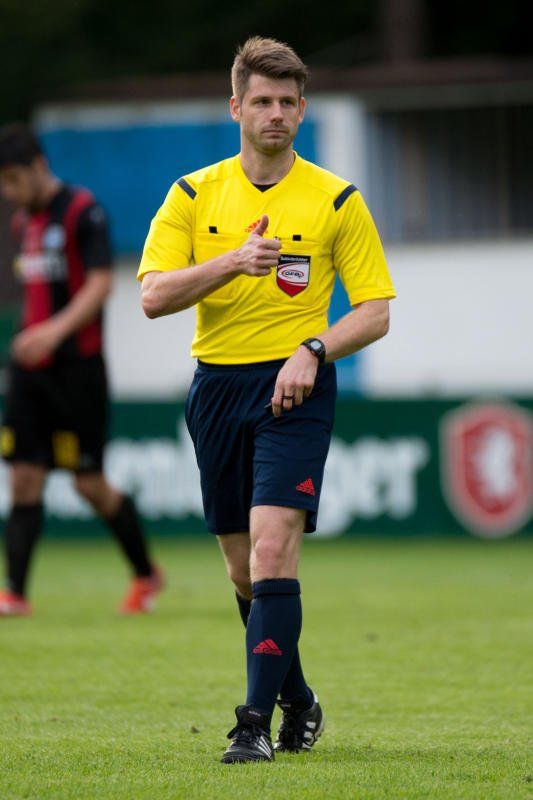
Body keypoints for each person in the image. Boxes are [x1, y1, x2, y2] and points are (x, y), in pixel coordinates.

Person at [138, 36, 395, 763]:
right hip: (217, 386)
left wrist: (313, 348)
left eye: (287, 101)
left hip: (296, 388)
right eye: (261, 101)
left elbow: (375, 311)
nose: (275, 113)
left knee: (274, 546)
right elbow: (153, 296)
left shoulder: (335, 198)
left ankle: (252, 724)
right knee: (243, 569)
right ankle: (299, 700)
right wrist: (231, 262)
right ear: (236, 108)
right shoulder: (193, 194)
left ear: (302, 110)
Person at [0, 124, 163, 616]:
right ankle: (15, 594)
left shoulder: (82, 211)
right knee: (23, 477)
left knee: (88, 484)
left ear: (39, 166)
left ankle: (145, 574)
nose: (8, 192)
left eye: (12, 179)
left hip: (78, 371)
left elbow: (100, 284)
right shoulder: (22, 224)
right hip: (30, 373)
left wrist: (52, 332)